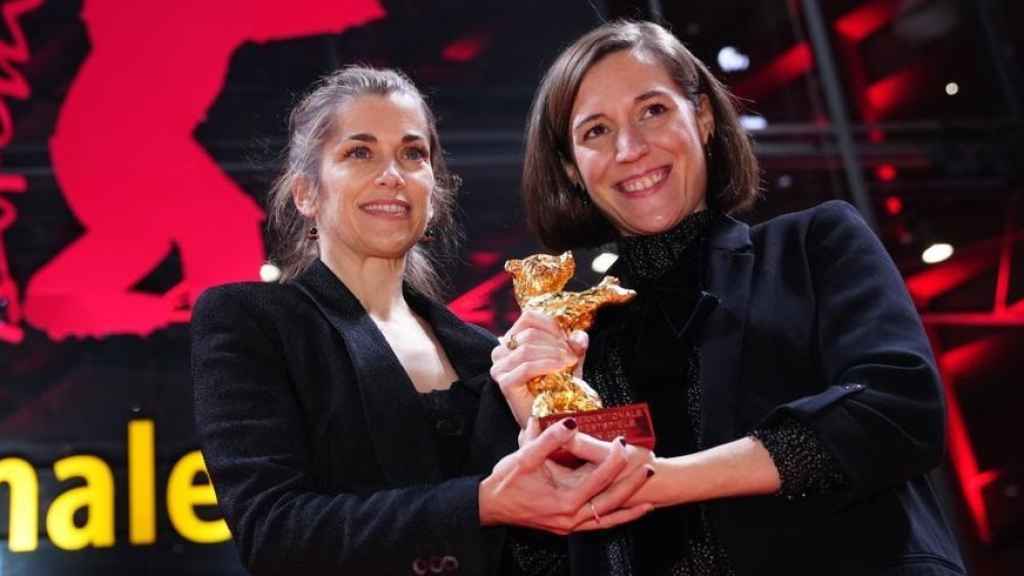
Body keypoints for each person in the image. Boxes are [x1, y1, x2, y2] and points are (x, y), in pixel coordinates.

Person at [490, 21, 966, 576]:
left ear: (704, 117)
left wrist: (666, 481)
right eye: (596, 130)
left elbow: (898, 410)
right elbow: (556, 560)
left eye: (653, 111)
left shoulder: (813, 246)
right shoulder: (578, 338)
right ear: (572, 167)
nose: (630, 148)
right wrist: (542, 435)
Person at [190, 66, 655, 575]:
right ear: (305, 193)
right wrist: (481, 503)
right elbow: (273, 533)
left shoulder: (491, 357)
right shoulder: (252, 322)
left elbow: (553, 548)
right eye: (359, 152)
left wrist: (549, 429)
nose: (393, 174)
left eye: (413, 154)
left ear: (432, 193)